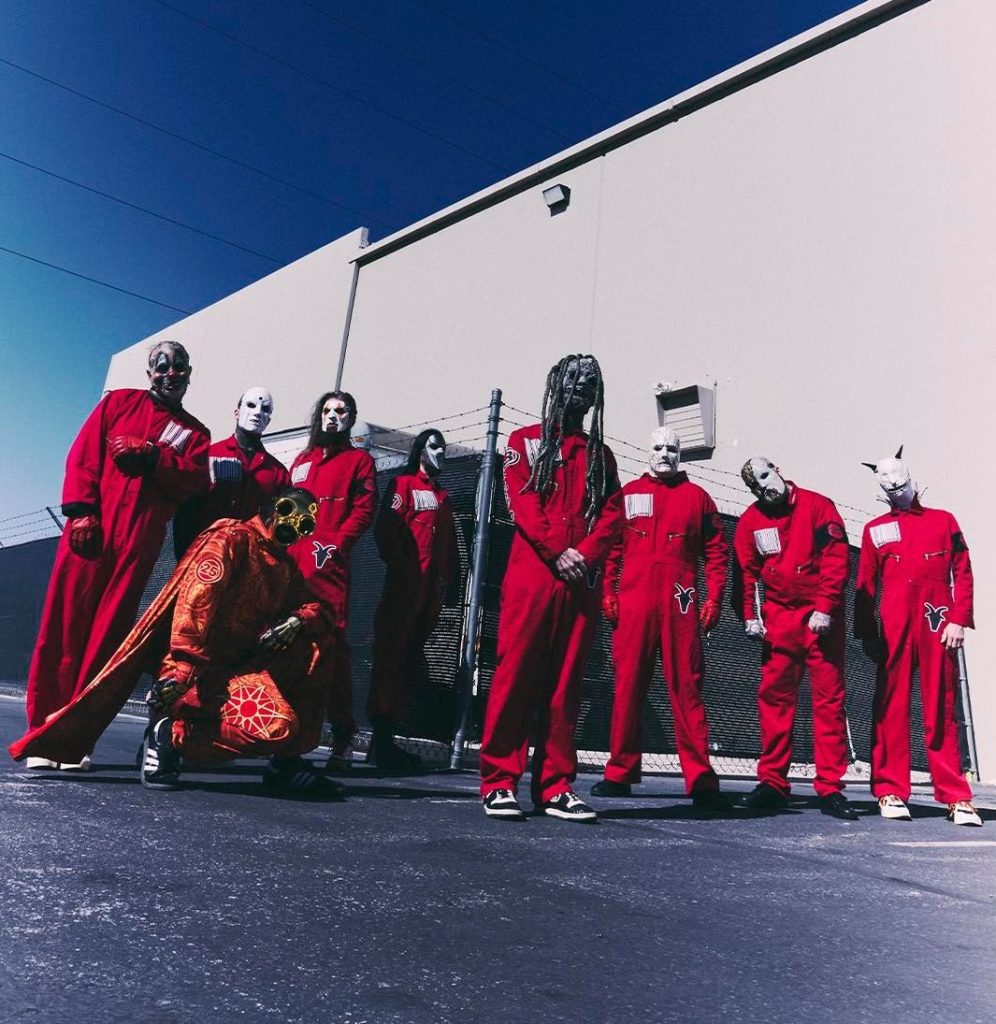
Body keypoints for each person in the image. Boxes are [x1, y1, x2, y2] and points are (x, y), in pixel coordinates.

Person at [10, 488, 341, 796]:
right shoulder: (230, 538)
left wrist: (300, 619)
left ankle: (286, 763)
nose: (293, 526)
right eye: (288, 511)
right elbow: (196, 604)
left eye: (304, 524)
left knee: (318, 644)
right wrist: (183, 670)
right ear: (270, 509)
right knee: (277, 727)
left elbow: (319, 607)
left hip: (238, 669)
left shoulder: (282, 565)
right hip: (196, 671)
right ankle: (171, 735)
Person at [24, 340, 210, 771]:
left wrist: (154, 456)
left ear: (188, 373)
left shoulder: (195, 434)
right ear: (150, 373)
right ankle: (41, 733)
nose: (171, 373)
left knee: (106, 639)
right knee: (64, 625)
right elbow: (83, 456)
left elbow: (195, 481)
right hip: (89, 535)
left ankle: (73, 741)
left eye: (179, 367)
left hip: (137, 546)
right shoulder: (118, 404)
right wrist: (81, 512)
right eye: (162, 366)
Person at [480, 354, 622, 822]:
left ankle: (556, 786)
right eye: (573, 378)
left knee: (566, 685)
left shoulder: (600, 456)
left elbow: (612, 513)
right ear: (555, 384)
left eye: (590, 382)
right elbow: (522, 502)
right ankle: (499, 781)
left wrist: (586, 553)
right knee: (516, 676)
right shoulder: (524, 442)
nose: (581, 386)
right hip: (534, 576)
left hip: (579, 581)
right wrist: (557, 550)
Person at [592, 427, 729, 808]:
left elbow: (717, 554)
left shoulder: (698, 499)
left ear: (680, 454)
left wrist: (714, 599)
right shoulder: (628, 495)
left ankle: (701, 780)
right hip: (634, 604)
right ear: (648, 451)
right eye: (658, 447)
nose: (664, 453)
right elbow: (612, 549)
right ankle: (619, 773)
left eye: (672, 448)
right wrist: (608, 592)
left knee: (687, 689)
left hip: (679, 606)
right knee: (627, 687)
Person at [854, 449, 981, 826]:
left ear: (911, 479)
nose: (896, 489)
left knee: (942, 707)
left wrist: (959, 619)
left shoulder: (944, 521)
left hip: (936, 623)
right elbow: (865, 584)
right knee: (890, 707)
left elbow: (963, 570)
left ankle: (956, 796)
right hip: (894, 628)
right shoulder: (875, 530)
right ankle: (890, 789)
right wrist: (867, 634)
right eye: (888, 485)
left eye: (900, 482)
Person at [732, 457, 857, 820]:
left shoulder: (818, 507)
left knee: (829, 701)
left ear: (777, 469)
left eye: (765, 476)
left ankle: (830, 788)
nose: (764, 487)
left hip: (820, 620)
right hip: (780, 620)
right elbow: (746, 573)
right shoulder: (751, 522)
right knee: (774, 699)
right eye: (755, 486)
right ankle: (772, 783)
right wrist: (750, 616)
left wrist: (825, 607)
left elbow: (836, 559)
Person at [289, 391, 377, 774]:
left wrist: (337, 545)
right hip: (293, 568)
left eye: (340, 411)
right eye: (326, 410)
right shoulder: (303, 461)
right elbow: (288, 506)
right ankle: (286, 734)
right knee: (290, 647)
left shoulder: (359, 462)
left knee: (334, 651)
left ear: (350, 418)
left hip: (329, 571)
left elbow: (364, 509)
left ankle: (342, 737)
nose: (332, 416)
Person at [367, 429, 458, 771]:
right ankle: (380, 739)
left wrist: (448, 582)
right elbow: (386, 530)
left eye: (443, 448)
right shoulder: (403, 486)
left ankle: (388, 740)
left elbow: (449, 545)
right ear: (420, 450)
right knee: (389, 659)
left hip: (430, 596)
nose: (440, 453)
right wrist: (403, 569)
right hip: (403, 591)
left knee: (409, 663)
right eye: (434, 446)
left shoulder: (443, 497)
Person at [172, 386, 290, 559]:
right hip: (206, 557)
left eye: (265, 409)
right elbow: (185, 510)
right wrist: (185, 555)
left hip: (250, 563)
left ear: (268, 420)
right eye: (251, 405)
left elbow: (282, 528)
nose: (257, 412)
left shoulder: (278, 473)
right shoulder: (208, 456)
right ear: (236, 413)